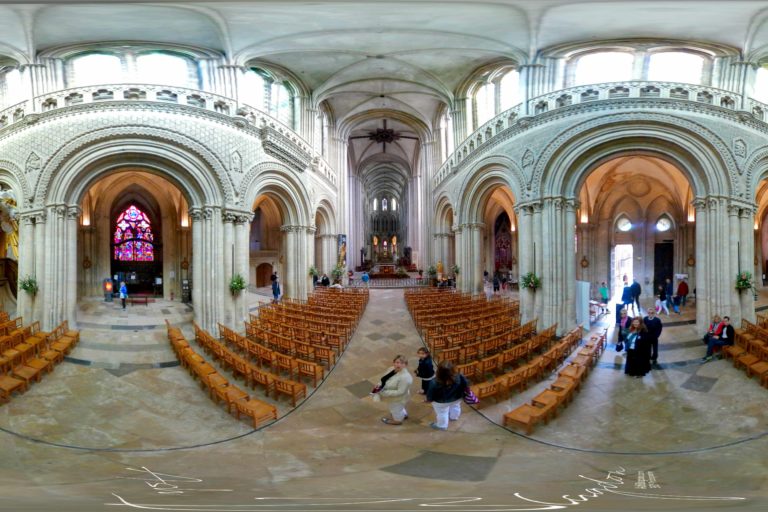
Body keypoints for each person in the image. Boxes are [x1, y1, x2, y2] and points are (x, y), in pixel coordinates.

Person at [426, 360, 468, 430]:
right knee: (456, 407)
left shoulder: (434, 382)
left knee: (442, 413)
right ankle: (454, 417)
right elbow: (465, 384)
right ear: (452, 369)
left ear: (438, 371)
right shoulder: (459, 376)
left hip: (441, 402)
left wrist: (429, 400)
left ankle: (442, 426)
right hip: (457, 398)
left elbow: (430, 393)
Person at [374, 355, 413, 425]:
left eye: (402, 363)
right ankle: (404, 414)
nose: (399, 365)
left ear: (405, 365)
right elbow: (384, 378)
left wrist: (384, 392)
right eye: (397, 362)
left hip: (397, 398)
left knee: (395, 409)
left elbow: (400, 392)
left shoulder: (406, 378)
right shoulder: (391, 369)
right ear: (393, 362)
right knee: (399, 408)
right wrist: (379, 385)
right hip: (392, 395)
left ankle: (397, 421)